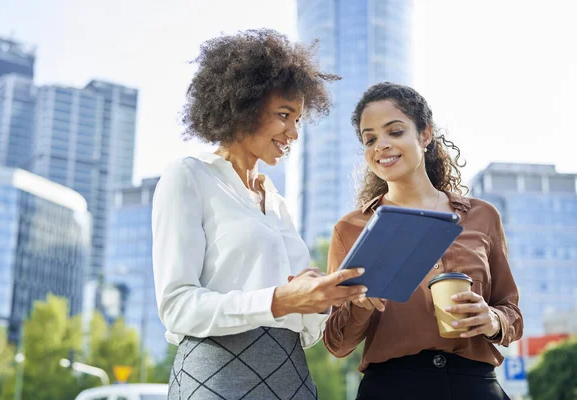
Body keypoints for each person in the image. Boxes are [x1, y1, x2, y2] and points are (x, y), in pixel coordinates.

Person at [152, 29, 367, 400]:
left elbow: (305, 331)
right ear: (242, 105)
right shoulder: (189, 176)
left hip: (291, 378)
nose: (294, 133)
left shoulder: (276, 201)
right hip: (216, 379)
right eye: (284, 115)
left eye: (298, 119)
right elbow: (177, 307)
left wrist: (322, 299)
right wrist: (279, 299)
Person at [323, 82, 523, 400]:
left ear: (425, 135)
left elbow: (512, 311)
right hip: (390, 389)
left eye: (395, 131)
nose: (381, 145)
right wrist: (359, 304)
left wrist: (493, 320)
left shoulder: (482, 216)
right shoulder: (350, 229)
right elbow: (338, 344)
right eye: (370, 138)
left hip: (474, 386)